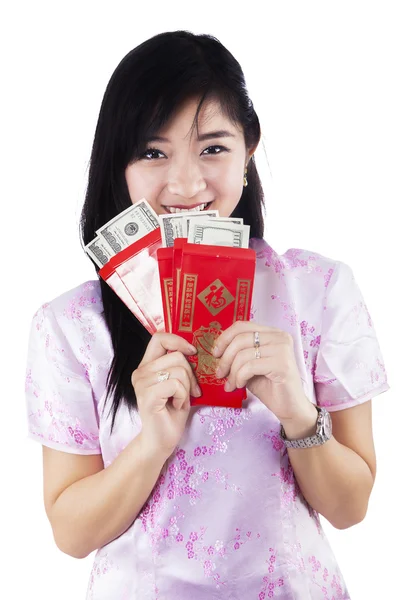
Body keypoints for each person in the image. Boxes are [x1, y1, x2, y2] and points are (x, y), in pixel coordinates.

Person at [24, 30, 390, 599]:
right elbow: (70, 533)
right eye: (153, 152)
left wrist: (298, 413)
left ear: (249, 149)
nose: (187, 183)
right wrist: (151, 444)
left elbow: (352, 508)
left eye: (213, 147)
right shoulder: (70, 325)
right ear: (117, 163)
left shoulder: (319, 289)